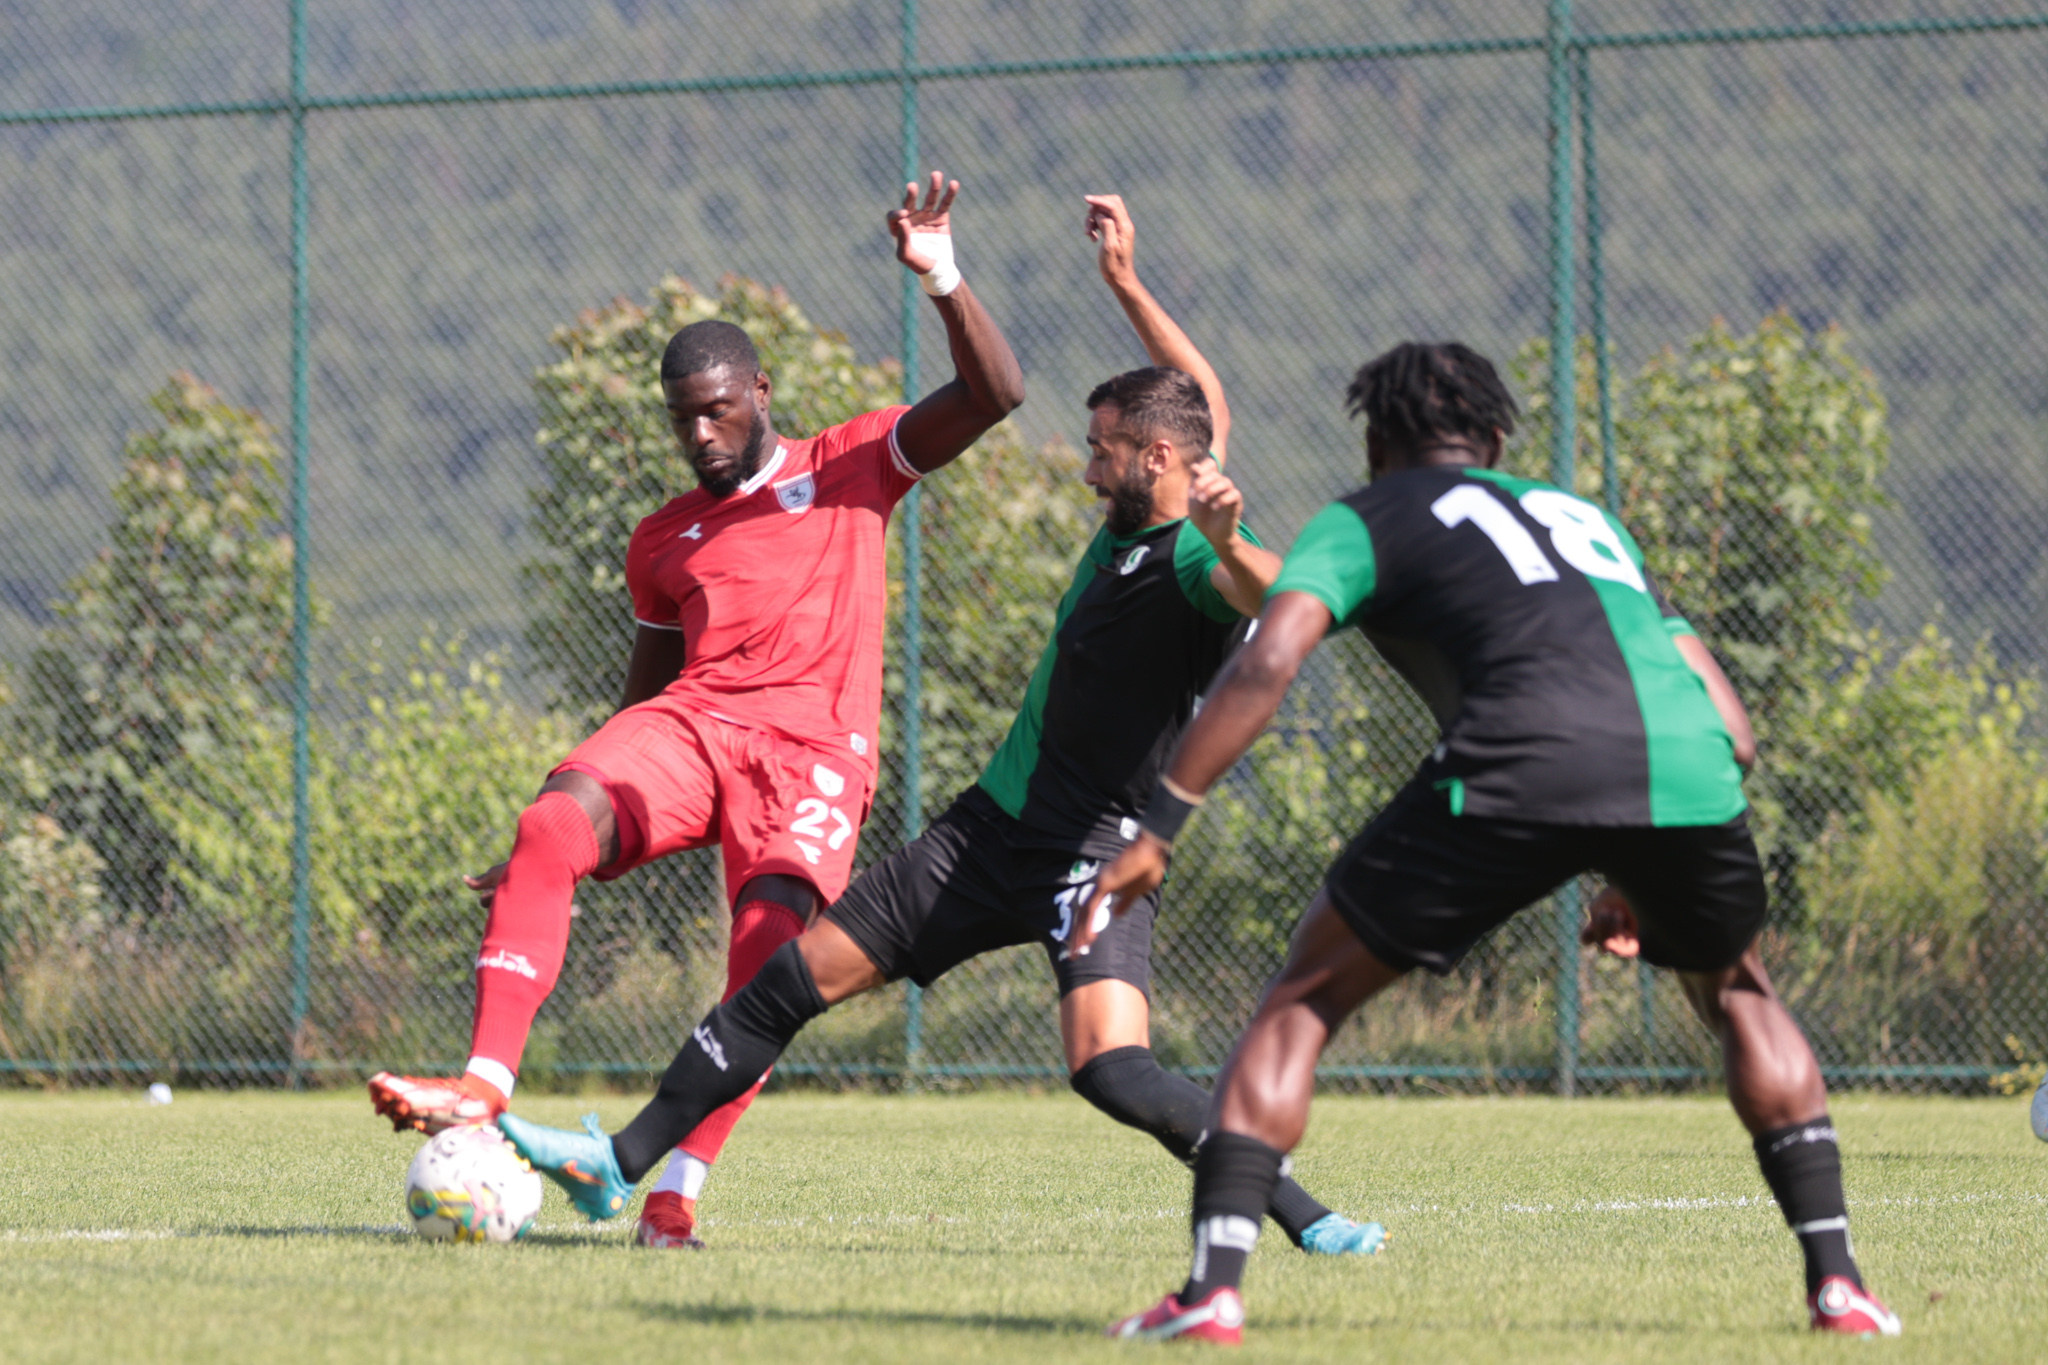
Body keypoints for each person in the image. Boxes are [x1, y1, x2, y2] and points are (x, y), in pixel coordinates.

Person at [495, 195, 1385, 1259]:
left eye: (1101, 448)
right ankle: (620, 1164)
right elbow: (1196, 399)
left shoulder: (1195, 554)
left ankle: (1304, 1214)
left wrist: (1234, 542)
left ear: (1153, 462)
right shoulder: (1152, 495)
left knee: (1113, 1072)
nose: (1084, 461)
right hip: (983, 836)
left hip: (1090, 862)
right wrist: (1123, 285)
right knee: (788, 982)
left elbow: (1277, 598)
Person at [1078, 341, 1902, 1343]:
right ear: (1497, 438)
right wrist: (1632, 861)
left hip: (1511, 762)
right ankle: (1838, 1288)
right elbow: (1732, 728)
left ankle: (1211, 1291)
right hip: (1682, 767)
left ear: (1376, 443)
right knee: (1736, 991)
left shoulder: (1365, 516)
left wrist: (1161, 821)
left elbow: (1268, 661)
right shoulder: (1584, 522)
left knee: (1300, 1000)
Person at [367, 173, 1025, 1250]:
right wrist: (569, 825)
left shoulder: (849, 465)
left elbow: (994, 395)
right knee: (546, 823)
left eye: (717, 409)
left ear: (759, 390)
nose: (701, 434)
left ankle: (669, 1193)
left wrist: (942, 276)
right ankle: (484, 1088)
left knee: (766, 968)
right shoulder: (662, 537)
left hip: (812, 757)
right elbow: (646, 689)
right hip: (696, 728)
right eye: (683, 419)